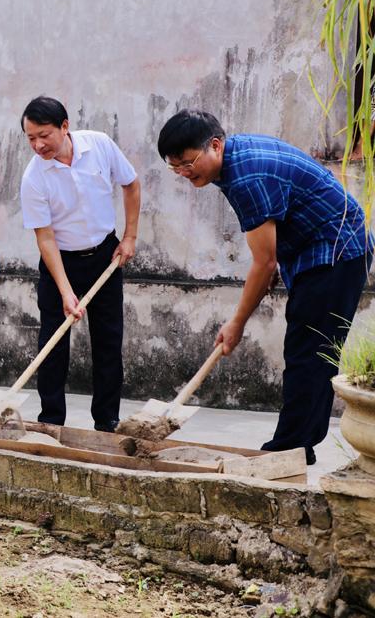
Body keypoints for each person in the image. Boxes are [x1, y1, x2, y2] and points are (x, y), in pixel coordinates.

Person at [156, 109, 371, 465]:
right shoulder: (235, 157)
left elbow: (264, 261)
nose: (183, 172)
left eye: (187, 162)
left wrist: (236, 323)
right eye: (174, 166)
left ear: (214, 145)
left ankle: (288, 450)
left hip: (336, 252)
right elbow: (273, 237)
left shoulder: (245, 179)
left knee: (307, 354)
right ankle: (301, 446)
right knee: (313, 353)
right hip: (322, 248)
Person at [19, 96, 141, 432]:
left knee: (108, 341)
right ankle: (51, 421)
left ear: (65, 126)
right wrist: (65, 291)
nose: (38, 144)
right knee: (53, 343)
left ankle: (107, 420)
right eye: (31, 138)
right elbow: (45, 238)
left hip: (105, 256)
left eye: (44, 135)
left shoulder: (99, 145)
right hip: (61, 262)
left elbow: (131, 184)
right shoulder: (34, 178)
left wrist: (129, 237)